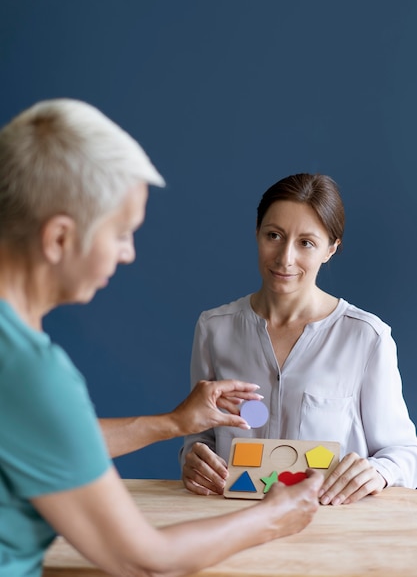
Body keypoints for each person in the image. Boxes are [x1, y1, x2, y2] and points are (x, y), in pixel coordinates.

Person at [0, 101, 322, 577]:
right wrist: (274, 517)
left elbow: (45, 436)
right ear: (60, 239)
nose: (128, 253)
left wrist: (174, 423)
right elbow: (145, 561)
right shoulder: (30, 373)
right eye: (122, 233)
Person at [181, 173, 417, 505]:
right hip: (231, 526)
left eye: (306, 242)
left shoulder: (366, 337)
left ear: (331, 249)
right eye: (274, 235)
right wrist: (193, 457)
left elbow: (405, 453)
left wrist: (380, 471)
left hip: (330, 532)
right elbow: (201, 435)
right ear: (257, 234)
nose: (285, 258)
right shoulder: (213, 328)